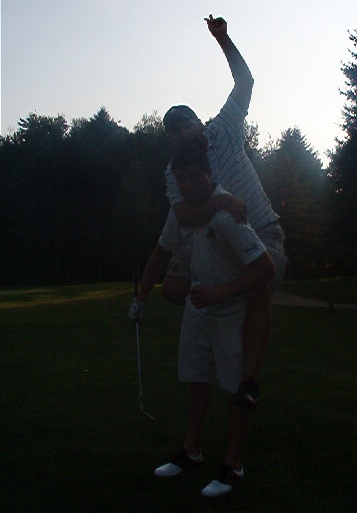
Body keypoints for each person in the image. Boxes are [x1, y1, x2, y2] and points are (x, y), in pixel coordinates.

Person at [129, 142, 275, 497]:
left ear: (209, 175)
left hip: (230, 312)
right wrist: (141, 299)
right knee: (197, 378)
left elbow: (265, 267)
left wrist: (222, 293)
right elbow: (160, 254)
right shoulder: (181, 214)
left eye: (194, 177)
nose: (187, 185)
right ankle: (191, 450)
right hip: (199, 308)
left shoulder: (228, 215)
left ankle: (232, 464)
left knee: (237, 386)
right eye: (181, 179)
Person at [160, 14, 287, 410]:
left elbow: (245, 82)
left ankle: (247, 380)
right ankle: (221, 317)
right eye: (173, 132)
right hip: (212, 243)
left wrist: (223, 39)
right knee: (172, 289)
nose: (182, 135)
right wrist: (223, 203)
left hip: (261, 232)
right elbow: (183, 217)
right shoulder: (174, 171)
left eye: (185, 126)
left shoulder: (224, 129)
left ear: (199, 123)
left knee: (260, 282)